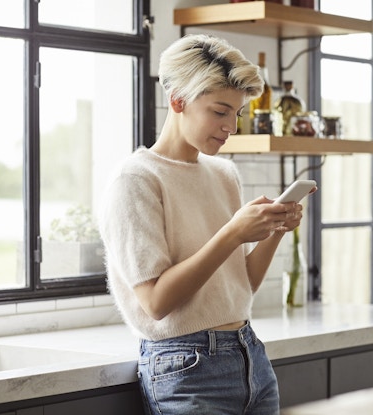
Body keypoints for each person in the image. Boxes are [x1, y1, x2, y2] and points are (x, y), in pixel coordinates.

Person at [100, 34, 312, 415]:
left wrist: (274, 230)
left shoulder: (224, 174)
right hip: (185, 367)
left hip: (250, 357)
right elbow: (156, 303)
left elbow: (240, 285)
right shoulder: (136, 180)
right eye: (219, 111)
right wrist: (232, 233)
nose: (231, 125)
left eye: (237, 113)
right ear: (178, 100)